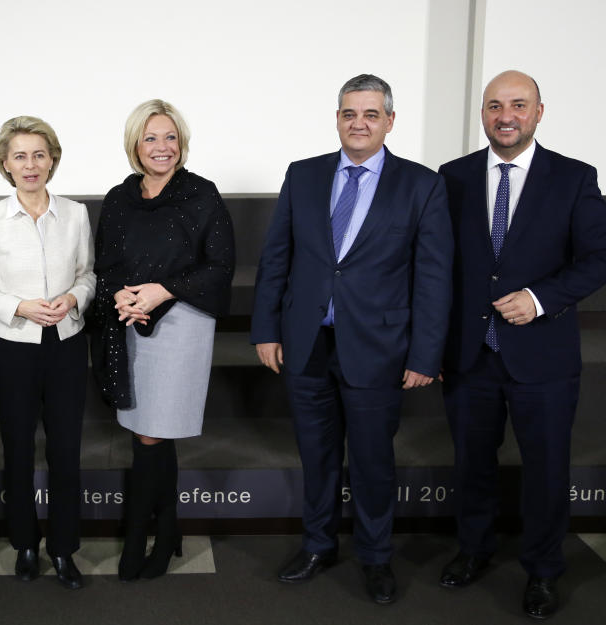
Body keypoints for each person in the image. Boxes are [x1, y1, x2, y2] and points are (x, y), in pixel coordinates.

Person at [250, 74, 452, 604]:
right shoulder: (304, 175)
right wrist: (267, 329)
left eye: (369, 114)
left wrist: (425, 354)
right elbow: (277, 259)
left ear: (389, 120)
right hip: (306, 343)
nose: (357, 123)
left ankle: (375, 557)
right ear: (337, 117)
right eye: (348, 113)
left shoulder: (421, 185)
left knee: (371, 462)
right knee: (315, 457)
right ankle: (318, 545)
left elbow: (433, 278)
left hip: (379, 351)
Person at [437, 70, 606, 619]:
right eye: (493, 106)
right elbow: (441, 265)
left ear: (538, 112)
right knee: (472, 465)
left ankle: (543, 571)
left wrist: (538, 297)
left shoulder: (575, 178)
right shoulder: (452, 176)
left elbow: (599, 258)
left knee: (547, 469)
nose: (504, 116)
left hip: (543, 354)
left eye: (517, 105)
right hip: (470, 354)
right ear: (482, 114)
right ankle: (475, 550)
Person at [92, 99, 235, 581]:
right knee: (146, 432)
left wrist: (160, 292)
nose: (162, 147)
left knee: (153, 432)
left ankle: (140, 537)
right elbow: (106, 264)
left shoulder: (201, 194)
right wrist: (126, 300)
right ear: (135, 143)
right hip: (129, 320)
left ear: (182, 143)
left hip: (183, 322)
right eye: (151, 137)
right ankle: (168, 527)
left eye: (170, 137)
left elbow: (219, 265)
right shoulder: (118, 197)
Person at [0, 116, 95, 589]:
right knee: (17, 450)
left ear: (53, 159)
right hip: (12, 348)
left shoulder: (76, 214)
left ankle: (63, 550)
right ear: (5, 164)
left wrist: (75, 297)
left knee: (65, 451)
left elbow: (88, 274)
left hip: (65, 345)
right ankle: (24, 545)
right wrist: (19, 305)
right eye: (20, 155)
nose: (31, 164)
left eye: (40, 154)